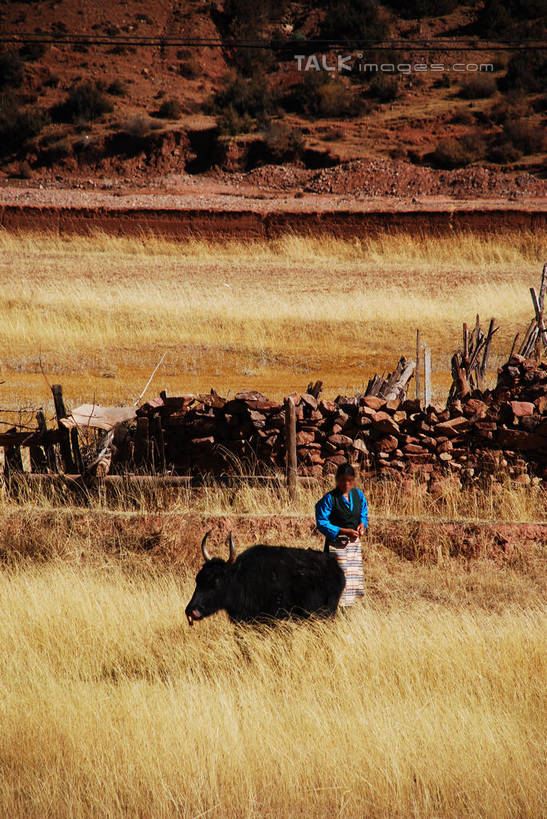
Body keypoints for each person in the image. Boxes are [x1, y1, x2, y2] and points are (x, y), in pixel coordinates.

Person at [315, 463, 367, 607]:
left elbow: (363, 514)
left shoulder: (359, 495)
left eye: (350, 480)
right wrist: (342, 531)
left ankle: (349, 609)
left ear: (354, 480)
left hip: (353, 546)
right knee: (337, 578)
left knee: (352, 577)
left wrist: (362, 525)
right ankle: (333, 609)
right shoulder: (330, 498)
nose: (346, 483)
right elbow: (322, 522)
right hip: (336, 547)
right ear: (337, 479)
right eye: (343, 480)